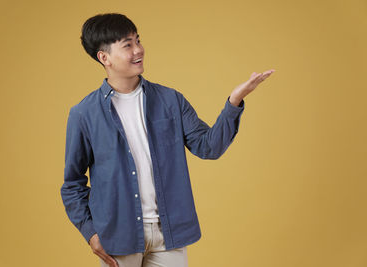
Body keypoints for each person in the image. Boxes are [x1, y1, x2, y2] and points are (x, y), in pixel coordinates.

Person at [60, 12, 275, 267]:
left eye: (137, 40)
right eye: (127, 45)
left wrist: (234, 102)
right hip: (118, 235)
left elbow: (208, 147)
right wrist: (90, 233)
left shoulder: (170, 100)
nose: (138, 50)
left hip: (168, 233)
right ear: (104, 57)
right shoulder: (84, 114)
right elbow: (72, 184)